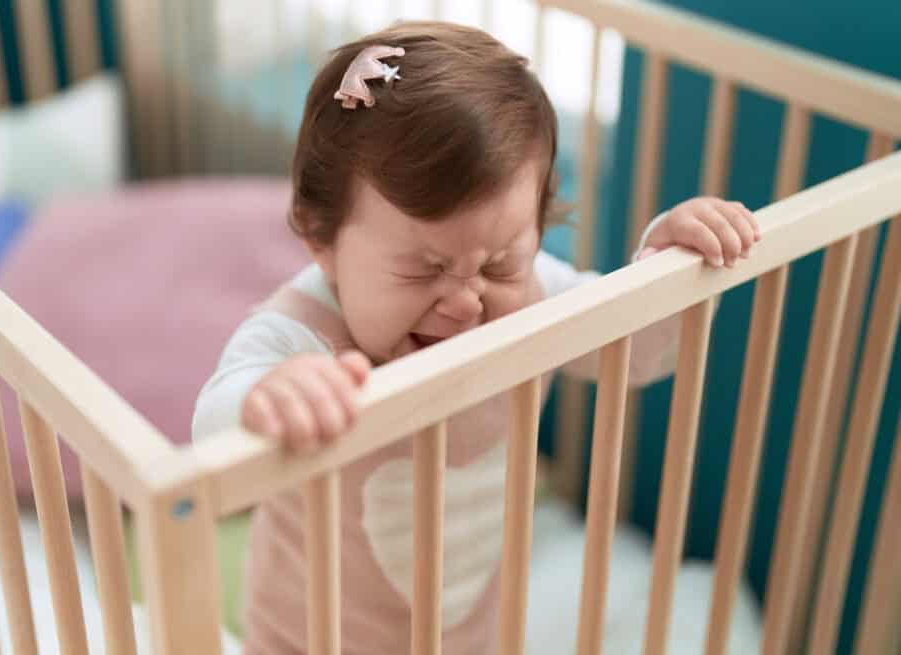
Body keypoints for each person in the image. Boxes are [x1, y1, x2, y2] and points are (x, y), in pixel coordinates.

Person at [192, 21, 758, 655]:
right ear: (322, 241)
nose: (466, 301)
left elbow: (638, 353)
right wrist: (265, 398)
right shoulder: (303, 332)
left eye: (499, 264)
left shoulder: (533, 296)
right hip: (310, 635)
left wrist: (668, 267)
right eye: (423, 269)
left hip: (469, 628)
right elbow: (212, 426)